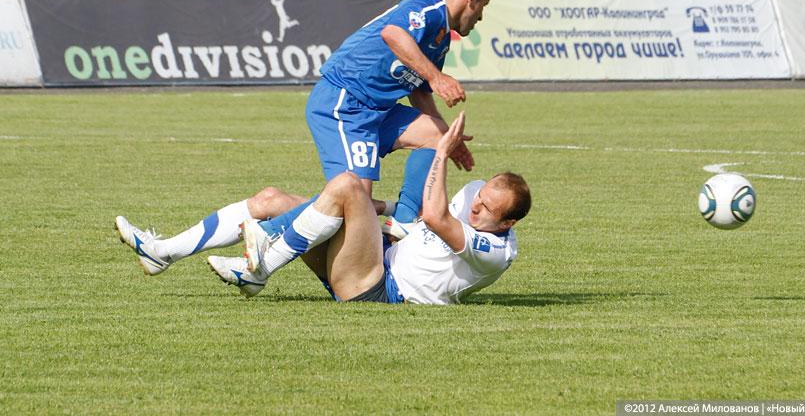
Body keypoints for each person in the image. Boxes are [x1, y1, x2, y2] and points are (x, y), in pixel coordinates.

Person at [116, 113, 531, 306]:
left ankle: (260, 266)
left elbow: (438, 219)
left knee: (348, 184)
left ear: (507, 223)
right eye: (480, 196)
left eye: (487, 209)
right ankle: (162, 252)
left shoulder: (496, 252)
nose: (476, 205)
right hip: (376, 252)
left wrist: (440, 151)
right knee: (271, 200)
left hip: (378, 288)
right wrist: (377, 210)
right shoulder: (476, 195)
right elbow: (428, 219)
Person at [302, 0, 489, 230]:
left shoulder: (442, 37)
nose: (481, 17)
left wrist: (448, 140)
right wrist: (437, 78)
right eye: (484, 6)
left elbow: (419, 90)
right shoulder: (430, 7)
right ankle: (272, 218)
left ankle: (402, 222)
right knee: (355, 203)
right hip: (346, 102)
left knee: (436, 136)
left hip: (377, 111)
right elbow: (393, 34)